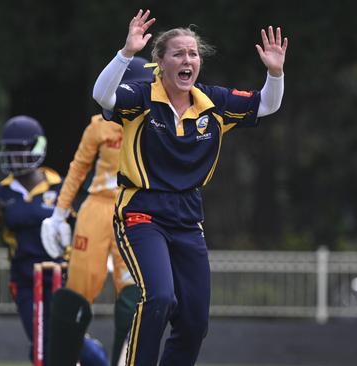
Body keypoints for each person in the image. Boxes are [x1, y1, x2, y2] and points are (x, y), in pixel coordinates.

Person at [91, 9, 288, 366]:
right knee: (160, 298)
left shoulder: (213, 103)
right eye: (178, 53)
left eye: (193, 53)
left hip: (187, 217)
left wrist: (275, 72)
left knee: (195, 322)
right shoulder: (141, 98)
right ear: (161, 63)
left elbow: (267, 104)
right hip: (141, 212)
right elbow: (103, 95)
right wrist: (126, 53)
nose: (188, 60)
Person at [0, 115, 108, 366]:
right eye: (9, 150)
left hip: (63, 279)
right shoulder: (2, 192)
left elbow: (86, 226)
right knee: (41, 343)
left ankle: (97, 357)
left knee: (67, 340)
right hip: (25, 281)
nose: (14, 157)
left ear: (37, 147)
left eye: (19, 149)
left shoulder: (61, 187)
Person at [41, 57, 153, 366]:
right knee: (78, 289)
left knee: (133, 295)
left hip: (134, 210)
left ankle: (125, 360)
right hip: (98, 209)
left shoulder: (156, 122)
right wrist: (59, 213)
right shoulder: (99, 125)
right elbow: (77, 169)